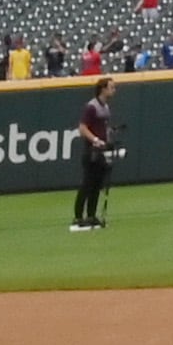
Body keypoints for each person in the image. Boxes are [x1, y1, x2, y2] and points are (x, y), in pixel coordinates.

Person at [70, 75, 118, 230]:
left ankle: (91, 215)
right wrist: (95, 140)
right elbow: (83, 128)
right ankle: (78, 216)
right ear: (103, 89)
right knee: (87, 184)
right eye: (111, 87)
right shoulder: (92, 107)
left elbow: (104, 127)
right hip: (91, 151)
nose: (114, 90)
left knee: (97, 184)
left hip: (101, 151)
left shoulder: (106, 107)